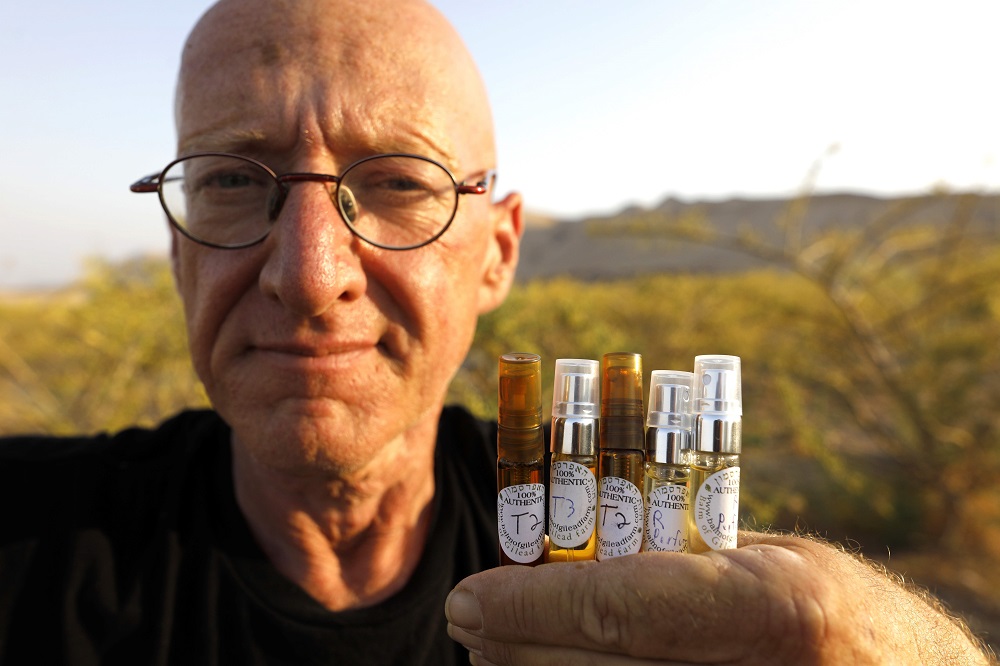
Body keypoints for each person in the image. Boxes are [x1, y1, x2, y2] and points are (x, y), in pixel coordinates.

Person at [0, 0, 991, 663]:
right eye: (227, 180)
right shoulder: (25, 533)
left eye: (396, 184)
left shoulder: (626, 540)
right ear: (177, 250)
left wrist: (883, 641)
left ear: (497, 252)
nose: (308, 274)